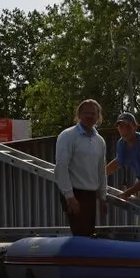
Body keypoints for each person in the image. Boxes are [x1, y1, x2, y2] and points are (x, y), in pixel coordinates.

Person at [54, 99, 107, 236]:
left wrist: (102, 197)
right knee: (80, 233)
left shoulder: (99, 141)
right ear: (79, 114)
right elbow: (62, 167)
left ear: (98, 116)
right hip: (74, 193)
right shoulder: (68, 136)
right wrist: (69, 197)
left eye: (93, 113)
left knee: (88, 233)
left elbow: (101, 170)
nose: (89, 116)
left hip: (90, 194)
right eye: (86, 113)